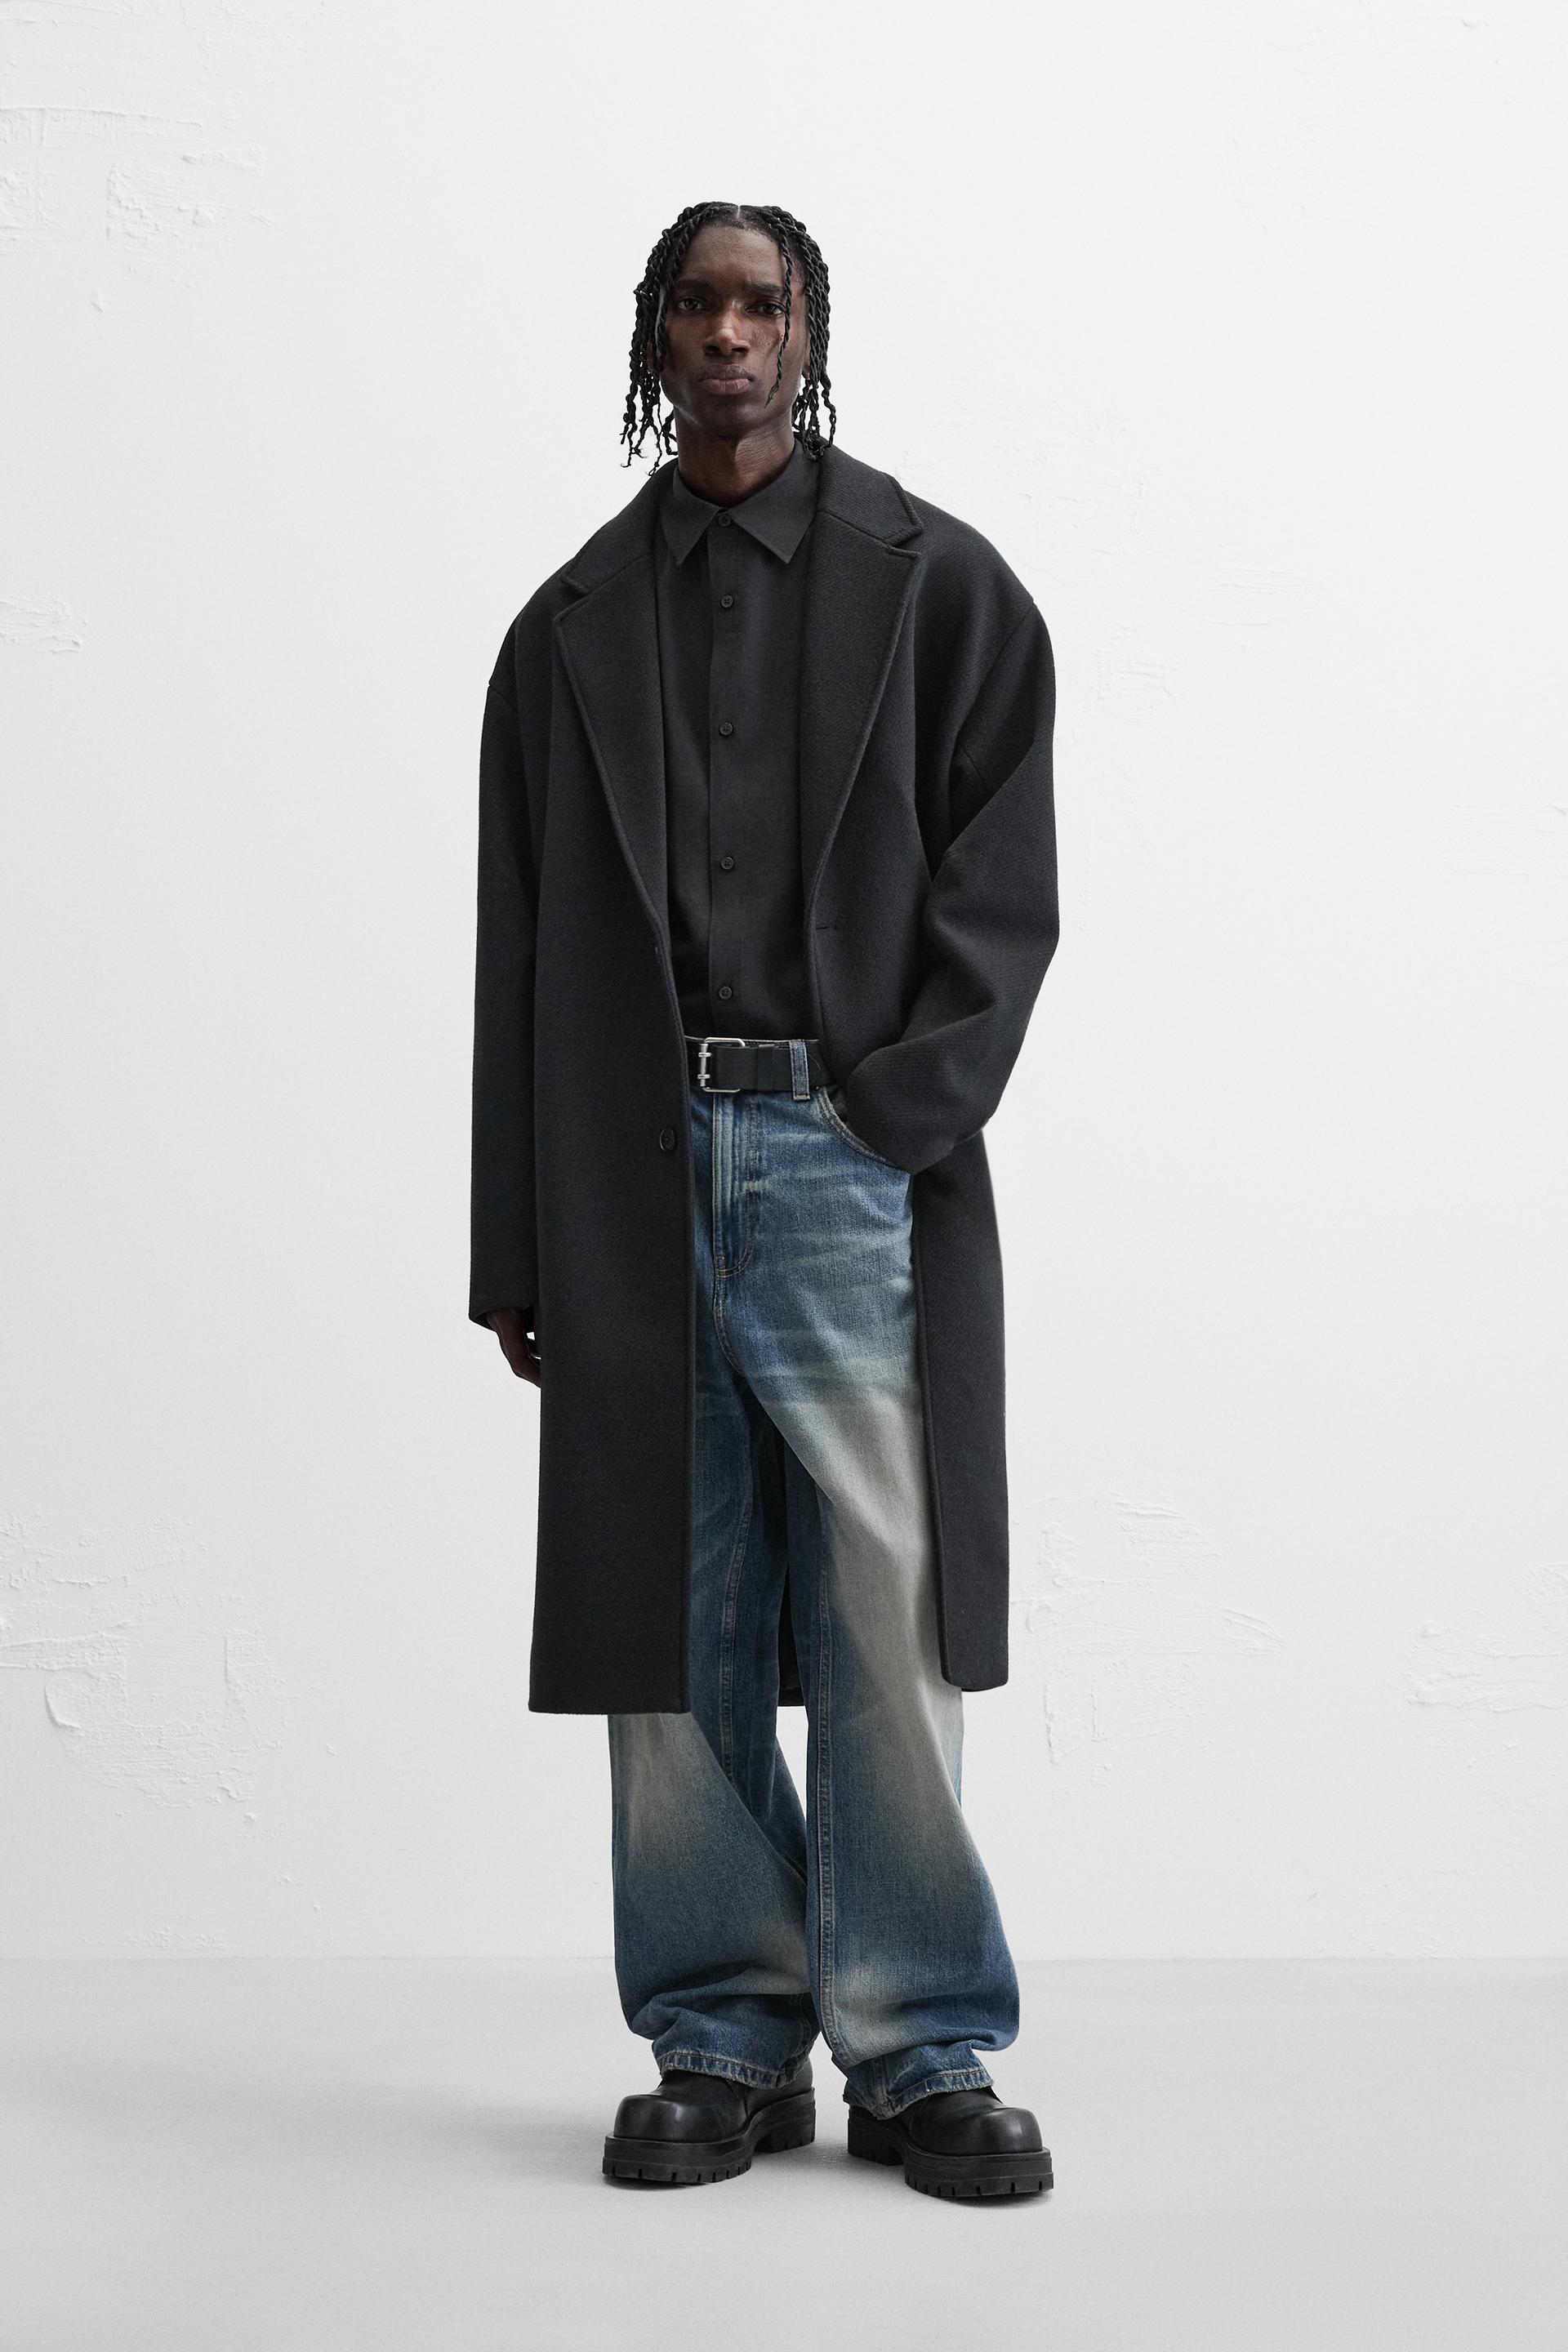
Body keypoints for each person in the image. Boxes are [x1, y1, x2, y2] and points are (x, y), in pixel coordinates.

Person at [471, 201, 1059, 2200]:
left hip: (843, 1153)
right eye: (696, 303)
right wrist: (515, 1235)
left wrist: (895, 1118)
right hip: (631, 1172)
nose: (728, 331)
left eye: (761, 302)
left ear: (810, 334)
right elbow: (519, 946)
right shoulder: (566, 625)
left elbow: (1004, 888)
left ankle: (920, 2042)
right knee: (678, 1610)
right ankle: (720, 2034)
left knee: (886, 1605)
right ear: (654, 338)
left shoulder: (940, 588)